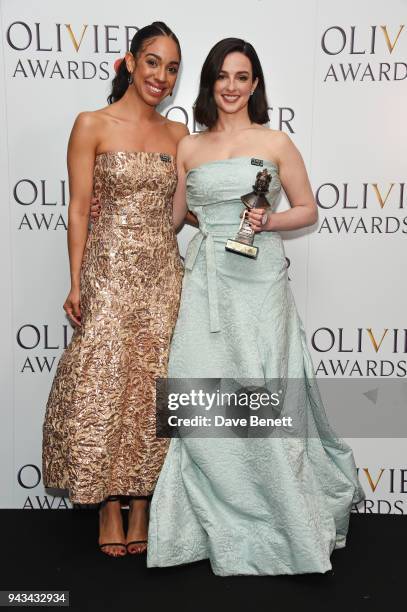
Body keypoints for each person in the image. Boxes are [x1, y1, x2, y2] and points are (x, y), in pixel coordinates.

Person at [145, 38, 365, 576]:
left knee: (261, 391)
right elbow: (176, 219)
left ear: (256, 84)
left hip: (260, 280)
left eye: (242, 76)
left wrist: (270, 221)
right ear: (210, 83)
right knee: (199, 394)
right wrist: (123, 204)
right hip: (208, 282)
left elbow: (307, 209)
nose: (231, 86)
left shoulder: (276, 142)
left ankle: (279, 515)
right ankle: (208, 519)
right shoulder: (189, 148)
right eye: (222, 76)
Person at [42, 22, 187, 558]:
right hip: (107, 271)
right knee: (102, 384)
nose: (161, 76)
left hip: (161, 275)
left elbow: (186, 208)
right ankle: (107, 502)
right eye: (153, 62)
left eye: (171, 67)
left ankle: (143, 502)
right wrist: (77, 280)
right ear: (129, 62)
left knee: (154, 388)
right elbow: (79, 208)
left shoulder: (178, 137)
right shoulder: (91, 124)